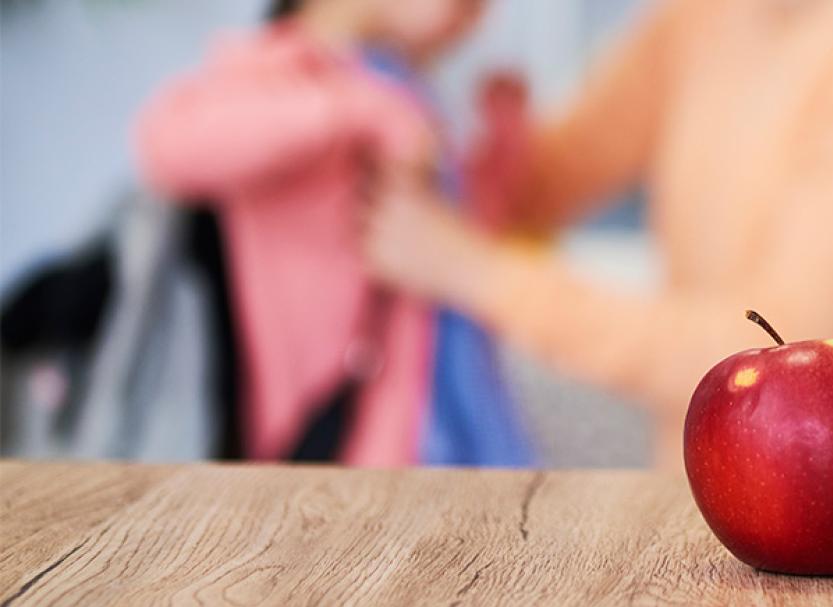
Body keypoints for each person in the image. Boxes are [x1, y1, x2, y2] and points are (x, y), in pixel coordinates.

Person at [363, 0, 833, 468]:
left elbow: (784, 348)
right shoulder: (706, 15)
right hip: (711, 487)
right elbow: (551, 178)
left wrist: (474, 272)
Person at [136, 0, 535, 466]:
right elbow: (167, 146)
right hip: (356, 426)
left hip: (456, 406)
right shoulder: (284, 66)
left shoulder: (407, 83)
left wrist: (504, 149)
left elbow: (453, 240)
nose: (480, 13)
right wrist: (355, 110)